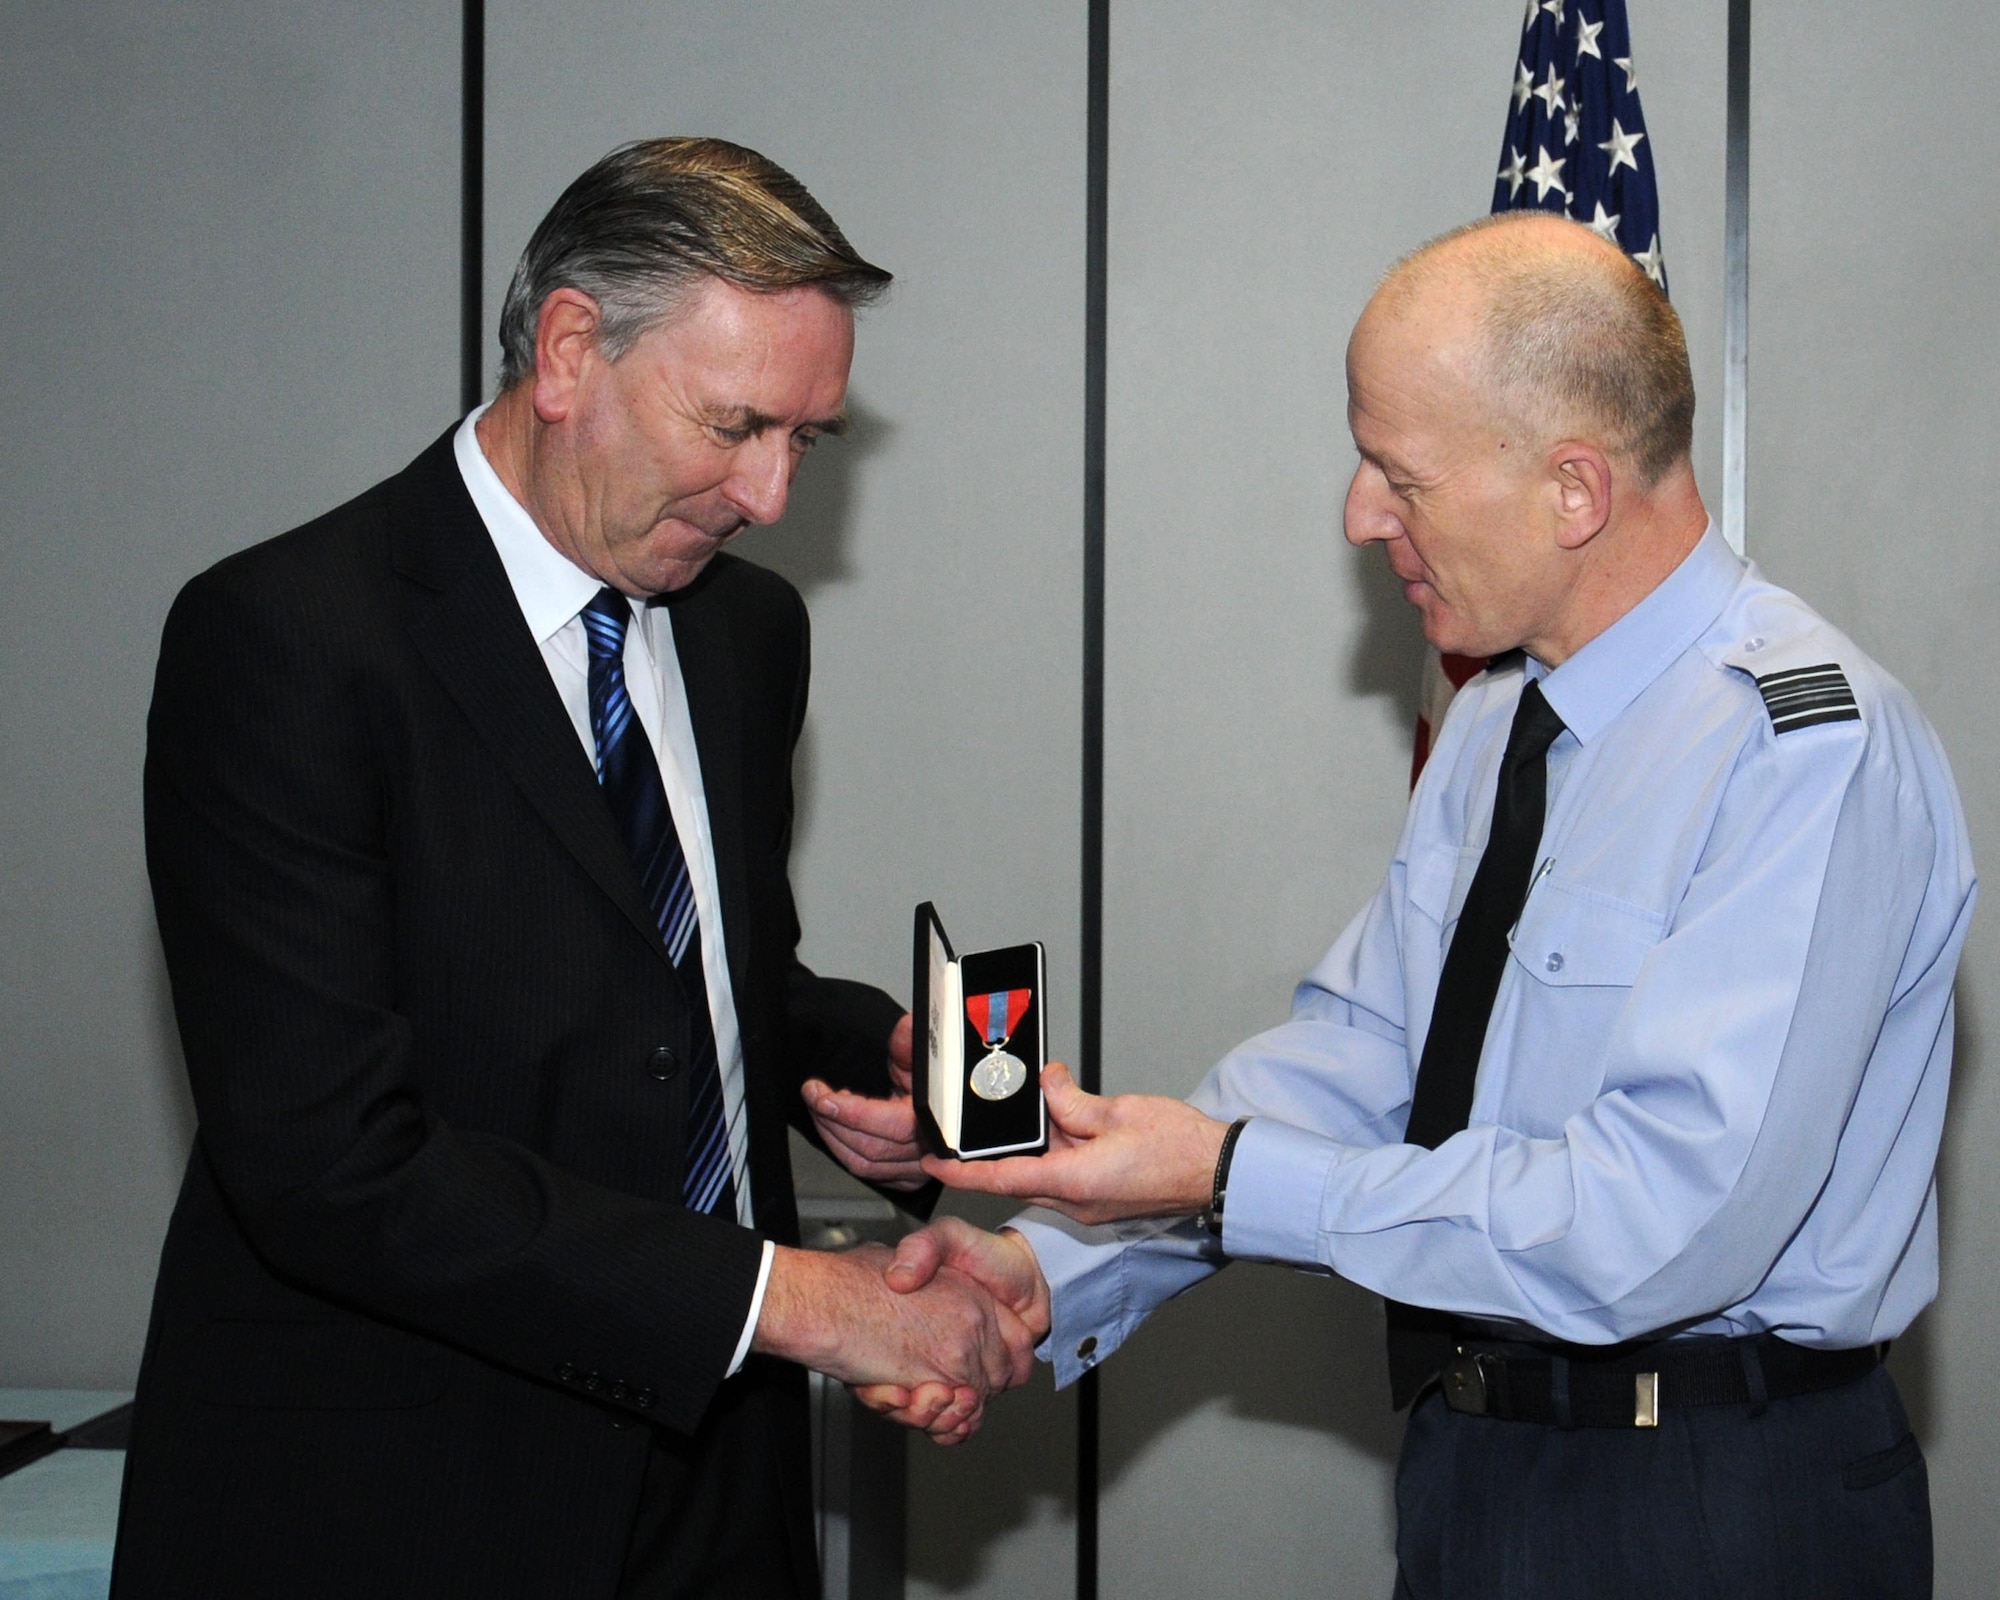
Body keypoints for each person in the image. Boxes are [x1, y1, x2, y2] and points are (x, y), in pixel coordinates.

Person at [820, 212, 1977, 1596]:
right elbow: (1364, 1063)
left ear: (1573, 491)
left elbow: (1657, 1227)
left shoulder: (1804, 753)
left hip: (1713, 1503)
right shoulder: (1497, 724)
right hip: (1477, 1473)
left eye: (1398, 472)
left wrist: (1226, 1174)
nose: (1359, 514)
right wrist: (1057, 1262)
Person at [116, 137, 1033, 1600]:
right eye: (737, 424)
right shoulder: (288, 639)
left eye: (810, 438)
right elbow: (329, 1163)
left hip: (717, 1483)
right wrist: (800, 1305)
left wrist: (867, 1059)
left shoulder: (745, 639)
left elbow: (681, 977)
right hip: (406, 1503)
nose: (773, 494)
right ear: (566, 351)